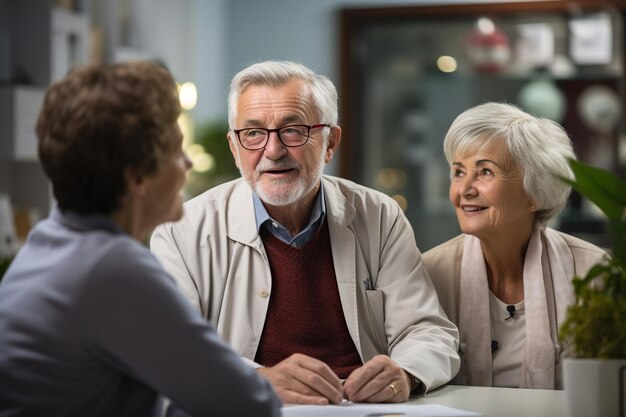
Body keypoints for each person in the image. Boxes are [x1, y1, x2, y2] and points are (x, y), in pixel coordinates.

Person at [151, 60, 460, 405]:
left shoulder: (378, 215)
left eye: (293, 129)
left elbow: (427, 330)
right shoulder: (183, 228)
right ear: (234, 149)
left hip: (361, 409)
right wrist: (258, 379)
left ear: (330, 142)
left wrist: (405, 372)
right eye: (253, 133)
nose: (273, 150)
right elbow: (171, 346)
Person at [0, 61, 281, 417]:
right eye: (177, 151)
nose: (187, 165)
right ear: (137, 177)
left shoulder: (47, 243)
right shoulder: (112, 269)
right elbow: (249, 405)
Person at [423, 102, 609, 390]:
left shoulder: (593, 273)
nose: (465, 189)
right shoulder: (430, 273)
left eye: (485, 172)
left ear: (535, 192)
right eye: (459, 172)